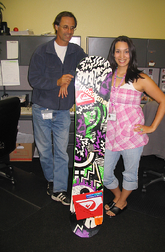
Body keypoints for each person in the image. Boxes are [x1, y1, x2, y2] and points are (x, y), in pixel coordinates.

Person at [103, 36, 165, 217]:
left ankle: (122, 201)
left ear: (131, 53)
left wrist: (152, 127)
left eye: (126, 51)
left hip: (132, 135)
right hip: (111, 134)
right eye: (118, 51)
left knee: (129, 173)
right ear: (113, 53)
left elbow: (163, 100)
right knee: (105, 173)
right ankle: (118, 196)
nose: (122, 55)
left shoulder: (140, 78)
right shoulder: (107, 76)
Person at [28, 11, 87, 205]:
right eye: (65, 26)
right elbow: (33, 79)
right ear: (56, 27)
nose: (69, 31)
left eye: (72, 28)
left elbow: (87, 72)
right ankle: (52, 180)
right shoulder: (42, 51)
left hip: (63, 111)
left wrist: (69, 81)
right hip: (42, 108)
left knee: (61, 151)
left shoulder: (76, 52)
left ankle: (59, 189)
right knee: (45, 150)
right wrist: (57, 81)